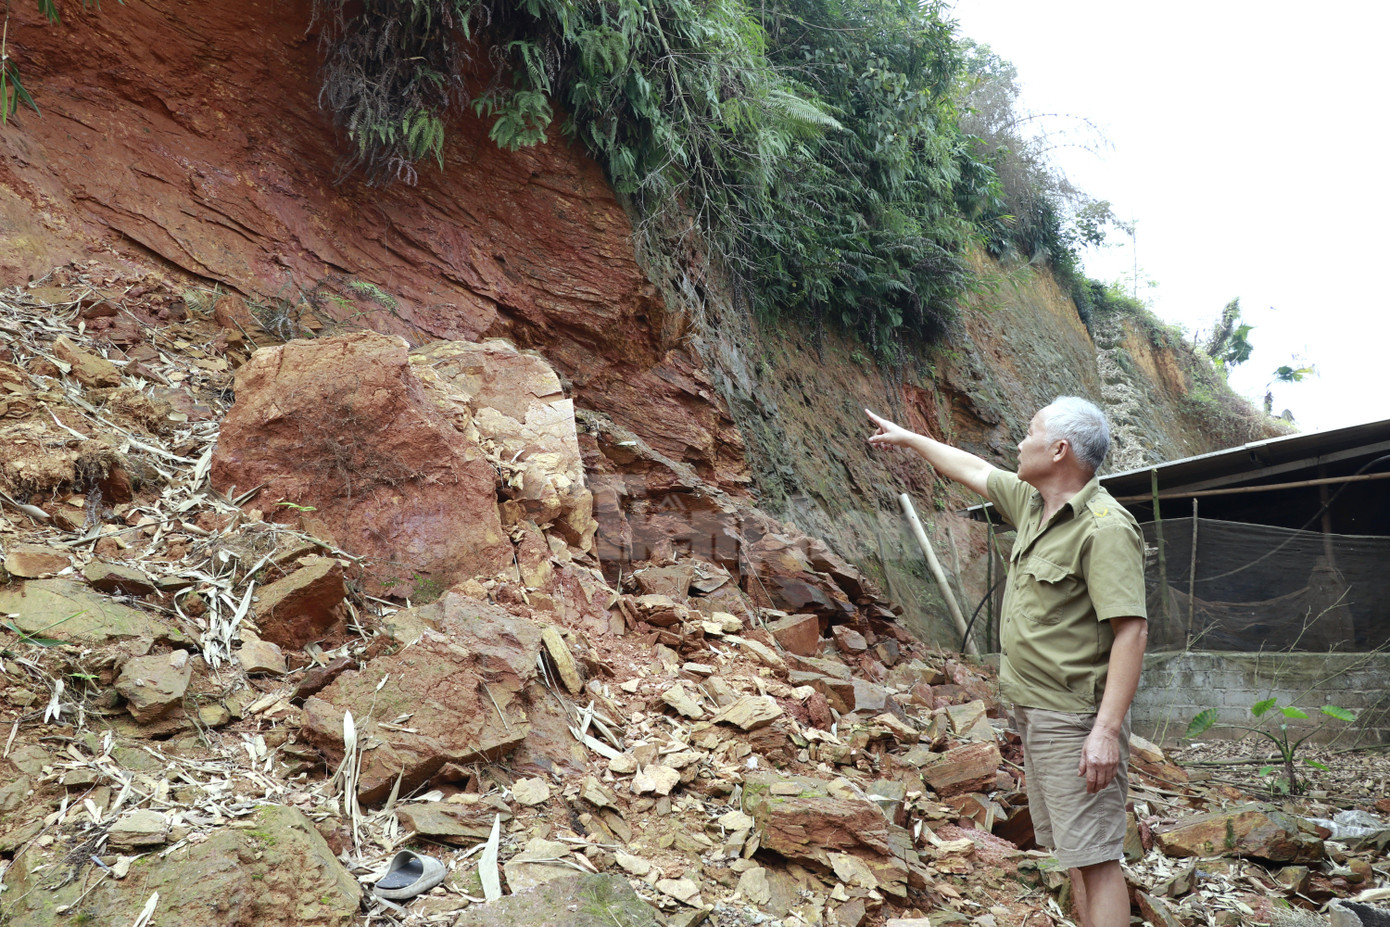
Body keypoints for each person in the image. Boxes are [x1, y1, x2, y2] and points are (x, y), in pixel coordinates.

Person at [866, 397, 1147, 927]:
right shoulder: (1031, 504)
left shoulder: (1105, 528)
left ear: (1059, 449)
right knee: (1074, 855)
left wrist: (1106, 731)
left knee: (1098, 859)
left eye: (1030, 432)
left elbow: (1131, 630)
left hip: (1074, 718)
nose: (1019, 443)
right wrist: (908, 437)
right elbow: (972, 467)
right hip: (1036, 712)